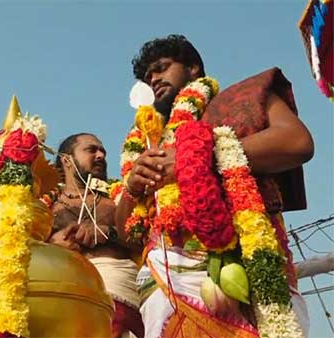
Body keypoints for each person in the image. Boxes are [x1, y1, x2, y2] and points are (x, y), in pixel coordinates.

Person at [116, 35, 313, 337]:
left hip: (247, 267)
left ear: (194, 68)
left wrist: (191, 157)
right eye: (148, 76)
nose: (154, 79)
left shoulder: (243, 100)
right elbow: (126, 235)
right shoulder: (146, 142)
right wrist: (132, 185)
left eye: (162, 67)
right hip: (166, 281)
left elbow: (296, 142)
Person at [49, 133, 144, 338]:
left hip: (117, 289)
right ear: (66, 160)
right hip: (64, 291)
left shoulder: (117, 199)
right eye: (91, 150)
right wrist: (51, 247)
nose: (101, 155)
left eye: (103, 151)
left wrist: (105, 232)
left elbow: (144, 242)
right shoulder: (47, 207)